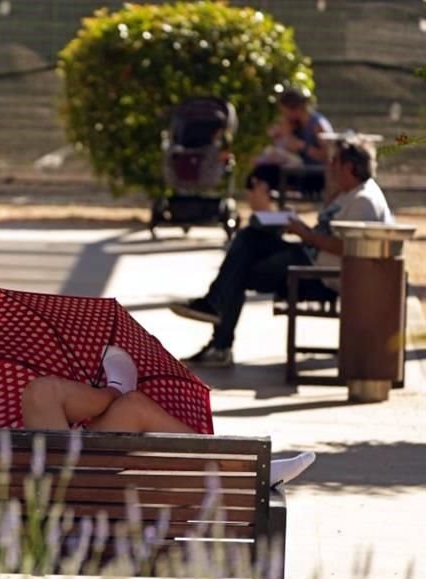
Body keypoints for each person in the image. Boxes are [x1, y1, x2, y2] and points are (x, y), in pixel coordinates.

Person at [168, 137, 393, 367]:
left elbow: (347, 248)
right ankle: (217, 324)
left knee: (240, 269)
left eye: (335, 161)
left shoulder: (364, 200)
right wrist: (296, 225)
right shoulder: (350, 194)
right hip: (311, 261)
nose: (330, 166)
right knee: (250, 237)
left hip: (322, 277)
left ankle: (218, 334)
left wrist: (304, 233)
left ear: (349, 167)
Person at [20, 346, 316, 486]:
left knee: (133, 405)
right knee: (40, 392)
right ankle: (248, 472)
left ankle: (117, 392)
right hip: (67, 498)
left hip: (67, 482)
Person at [246, 87, 333, 206]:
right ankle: (264, 214)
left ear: (296, 109)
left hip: (313, 175)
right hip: (294, 170)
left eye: (285, 111)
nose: (284, 115)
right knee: (257, 175)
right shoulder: (295, 124)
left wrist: (303, 147)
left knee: (262, 175)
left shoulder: (318, 125)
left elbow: (329, 156)